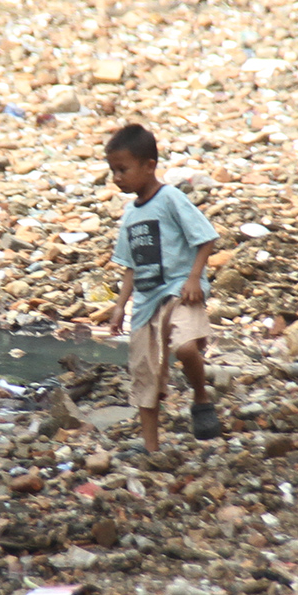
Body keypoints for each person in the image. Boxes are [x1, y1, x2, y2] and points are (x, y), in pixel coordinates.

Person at [105, 124, 221, 453]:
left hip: (181, 293)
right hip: (145, 305)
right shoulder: (130, 214)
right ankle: (152, 449)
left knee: (186, 347)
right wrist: (119, 307)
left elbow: (206, 237)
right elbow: (130, 266)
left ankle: (200, 397)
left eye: (123, 170)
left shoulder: (170, 198)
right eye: (112, 171)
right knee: (146, 379)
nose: (117, 178)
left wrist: (193, 278)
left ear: (149, 166)